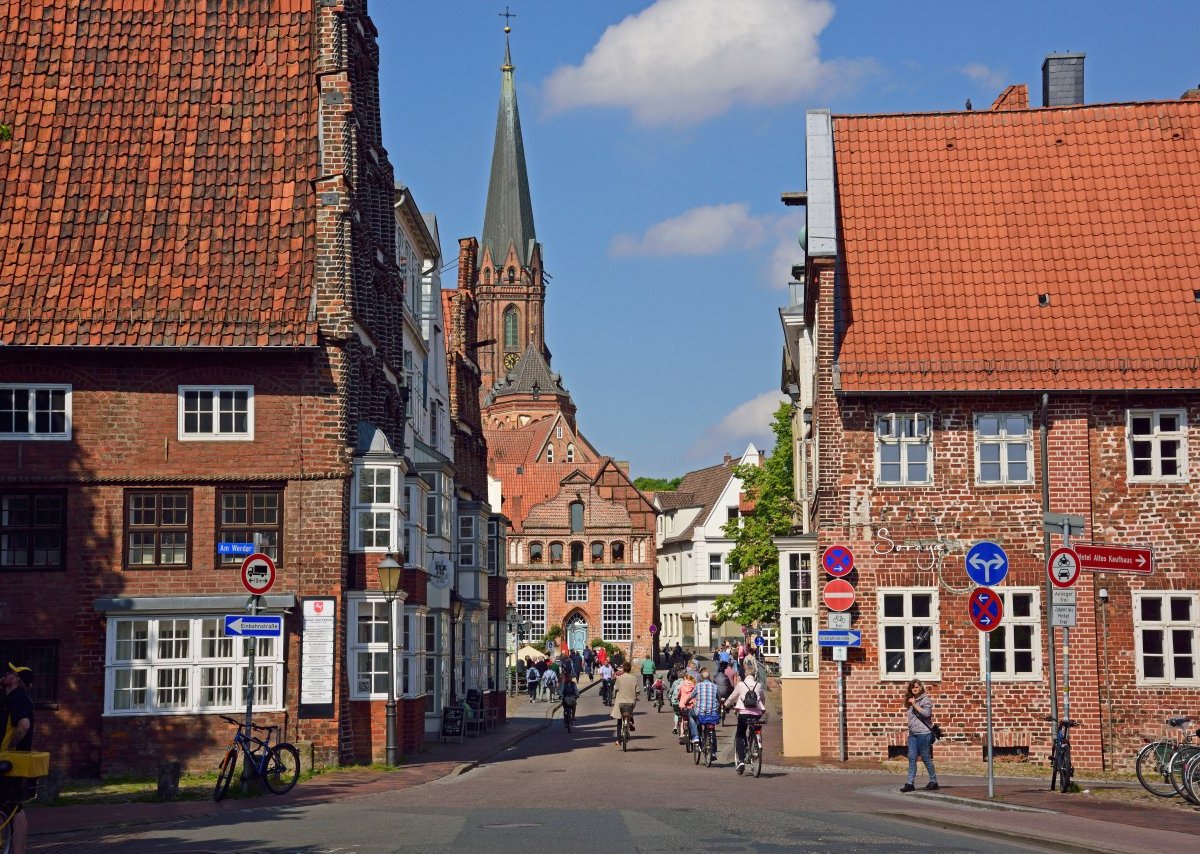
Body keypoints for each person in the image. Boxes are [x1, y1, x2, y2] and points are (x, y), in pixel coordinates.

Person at [1, 663, 34, 854]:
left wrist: (11, 747)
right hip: (11, 760)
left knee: (15, 807)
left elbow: (24, 724)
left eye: (10, 672)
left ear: (16, 680)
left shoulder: (17, 699)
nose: (6, 673)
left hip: (10, 762)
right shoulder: (14, 699)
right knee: (14, 806)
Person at [724, 657, 765, 773]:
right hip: (757, 714)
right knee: (755, 726)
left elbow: (732, 697)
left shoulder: (741, 685)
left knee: (740, 735)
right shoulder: (759, 685)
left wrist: (726, 705)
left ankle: (741, 761)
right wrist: (762, 710)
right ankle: (756, 745)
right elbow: (762, 699)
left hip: (743, 714)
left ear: (745, 674)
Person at [901, 678, 939, 792]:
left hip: (924, 733)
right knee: (912, 757)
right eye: (913, 687)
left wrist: (914, 704)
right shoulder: (911, 700)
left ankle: (933, 781)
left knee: (925, 757)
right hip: (913, 734)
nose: (915, 689)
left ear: (920, 687)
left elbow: (926, 714)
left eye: (917, 687)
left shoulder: (925, 700)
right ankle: (910, 783)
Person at [610, 661, 640, 745]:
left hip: (621, 703)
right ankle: (630, 721)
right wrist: (637, 696)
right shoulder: (634, 679)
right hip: (631, 702)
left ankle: (618, 740)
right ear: (630, 669)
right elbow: (638, 690)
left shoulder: (619, 678)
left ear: (623, 669)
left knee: (619, 720)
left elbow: (615, 688)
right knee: (629, 711)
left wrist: (613, 696)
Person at [689, 668, 720, 749]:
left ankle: (695, 736)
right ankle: (713, 753)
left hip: (700, 712)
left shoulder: (698, 686)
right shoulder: (715, 686)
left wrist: (685, 702)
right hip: (712, 713)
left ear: (701, 678)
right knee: (712, 730)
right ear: (709, 677)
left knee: (690, 714)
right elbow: (719, 698)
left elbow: (691, 696)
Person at [677, 672, 697, 743]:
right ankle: (693, 733)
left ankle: (681, 735)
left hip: (682, 706)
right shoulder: (694, 687)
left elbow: (678, 695)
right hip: (691, 706)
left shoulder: (682, 687)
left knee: (683, 719)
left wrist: (678, 698)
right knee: (693, 719)